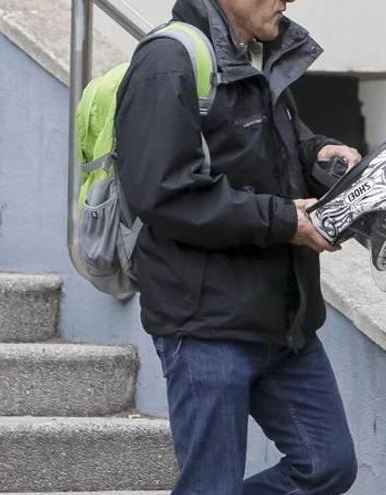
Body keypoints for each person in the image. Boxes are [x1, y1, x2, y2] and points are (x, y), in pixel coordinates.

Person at [113, 0, 362, 493]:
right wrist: (285, 220)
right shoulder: (168, 62)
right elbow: (162, 192)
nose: (286, 0)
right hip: (206, 324)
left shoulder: (257, 56)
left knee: (326, 465)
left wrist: (319, 153)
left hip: (283, 321)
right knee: (211, 484)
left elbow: (272, 148)